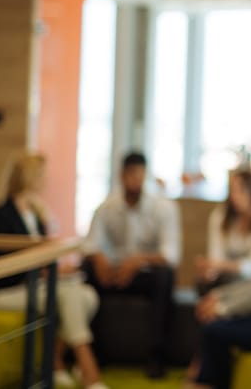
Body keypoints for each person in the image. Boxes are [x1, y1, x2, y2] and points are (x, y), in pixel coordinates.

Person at [0, 152, 107, 389]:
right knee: (67, 294)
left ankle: (55, 361)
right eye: (40, 175)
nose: (44, 180)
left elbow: (41, 257)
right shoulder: (2, 213)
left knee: (88, 295)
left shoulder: (36, 213)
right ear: (28, 177)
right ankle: (88, 369)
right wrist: (44, 272)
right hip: (6, 290)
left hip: (34, 286)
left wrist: (54, 271)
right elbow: (6, 261)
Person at [82, 151, 181, 379]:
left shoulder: (163, 208)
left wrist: (138, 261)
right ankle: (96, 353)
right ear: (121, 175)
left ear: (145, 175)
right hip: (113, 273)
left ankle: (157, 357)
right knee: (86, 272)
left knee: (165, 276)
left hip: (145, 275)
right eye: (130, 175)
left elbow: (171, 254)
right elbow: (90, 244)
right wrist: (99, 259)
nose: (134, 181)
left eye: (138, 175)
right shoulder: (107, 207)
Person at [190, 182, 251, 389]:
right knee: (215, 323)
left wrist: (222, 307)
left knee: (214, 330)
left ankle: (205, 383)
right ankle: (201, 379)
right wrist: (219, 296)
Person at [195, 169, 251, 295]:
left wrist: (220, 265)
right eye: (233, 190)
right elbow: (216, 255)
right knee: (203, 283)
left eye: (242, 191)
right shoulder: (221, 216)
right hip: (226, 278)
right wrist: (211, 271)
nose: (235, 196)